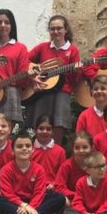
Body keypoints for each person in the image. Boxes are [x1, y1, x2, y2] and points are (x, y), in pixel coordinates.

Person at [0, 131, 66, 214]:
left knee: (59, 198)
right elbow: (8, 194)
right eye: (20, 146)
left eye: (28, 146)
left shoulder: (39, 169)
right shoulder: (6, 170)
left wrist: (31, 206)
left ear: (33, 149)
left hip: (34, 203)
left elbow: (39, 193)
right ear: (12, 151)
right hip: (14, 204)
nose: (24, 148)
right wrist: (25, 206)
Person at [27, 15, 82, 144]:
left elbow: (75, 81)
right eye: (52, 29)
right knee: (41, 121)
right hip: (43, 90)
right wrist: (33, 77)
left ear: (65, 30)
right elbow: (25, 62)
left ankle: (55, 151)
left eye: (59, 28)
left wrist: (77, 71)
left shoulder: (72, 51)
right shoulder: (42, 48)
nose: (55, 32)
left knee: (59, 121)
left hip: (63, 91)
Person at [53, 132, 92, 206]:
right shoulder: (66, 166)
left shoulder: (96, 165)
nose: (81, 151)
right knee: (62, 201)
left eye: (85, 147)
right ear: (72, 148)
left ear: (91, 147)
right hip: (72, 201)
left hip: (92, 201)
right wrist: (78, 195)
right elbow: (59, 187)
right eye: (77, 148)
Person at [31, 114, 67, 189]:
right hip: (32, 187)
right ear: (35, 130)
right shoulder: (29, 149)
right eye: (41, 128)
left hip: (52, 189)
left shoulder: (60, 151)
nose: (45, 132)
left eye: (48, 129)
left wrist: (54, 184)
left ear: (53, 131)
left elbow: (61, 174)